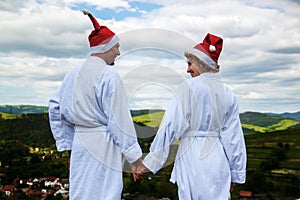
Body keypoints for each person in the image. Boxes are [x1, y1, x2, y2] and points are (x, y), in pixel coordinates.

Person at [137, 33, 247, 199]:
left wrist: (150, 162)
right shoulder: (228, 93)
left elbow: (170, 127)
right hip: (219, 159)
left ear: (201, 63)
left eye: (190, 64)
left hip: (193, 157)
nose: (187, 70)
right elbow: (233, 138)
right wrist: (235, 173)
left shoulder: (188, 87)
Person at [48, 10, 142, 200]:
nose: (118, 52)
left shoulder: (73, 74)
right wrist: (135, 157)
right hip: (103, 144)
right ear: (106, 47)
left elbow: (54, 107)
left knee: (81, 191)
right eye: (116, 47)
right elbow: (119, 120)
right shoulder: (109, 75)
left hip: (80, 142)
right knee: (105, 192)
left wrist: (68, 144)